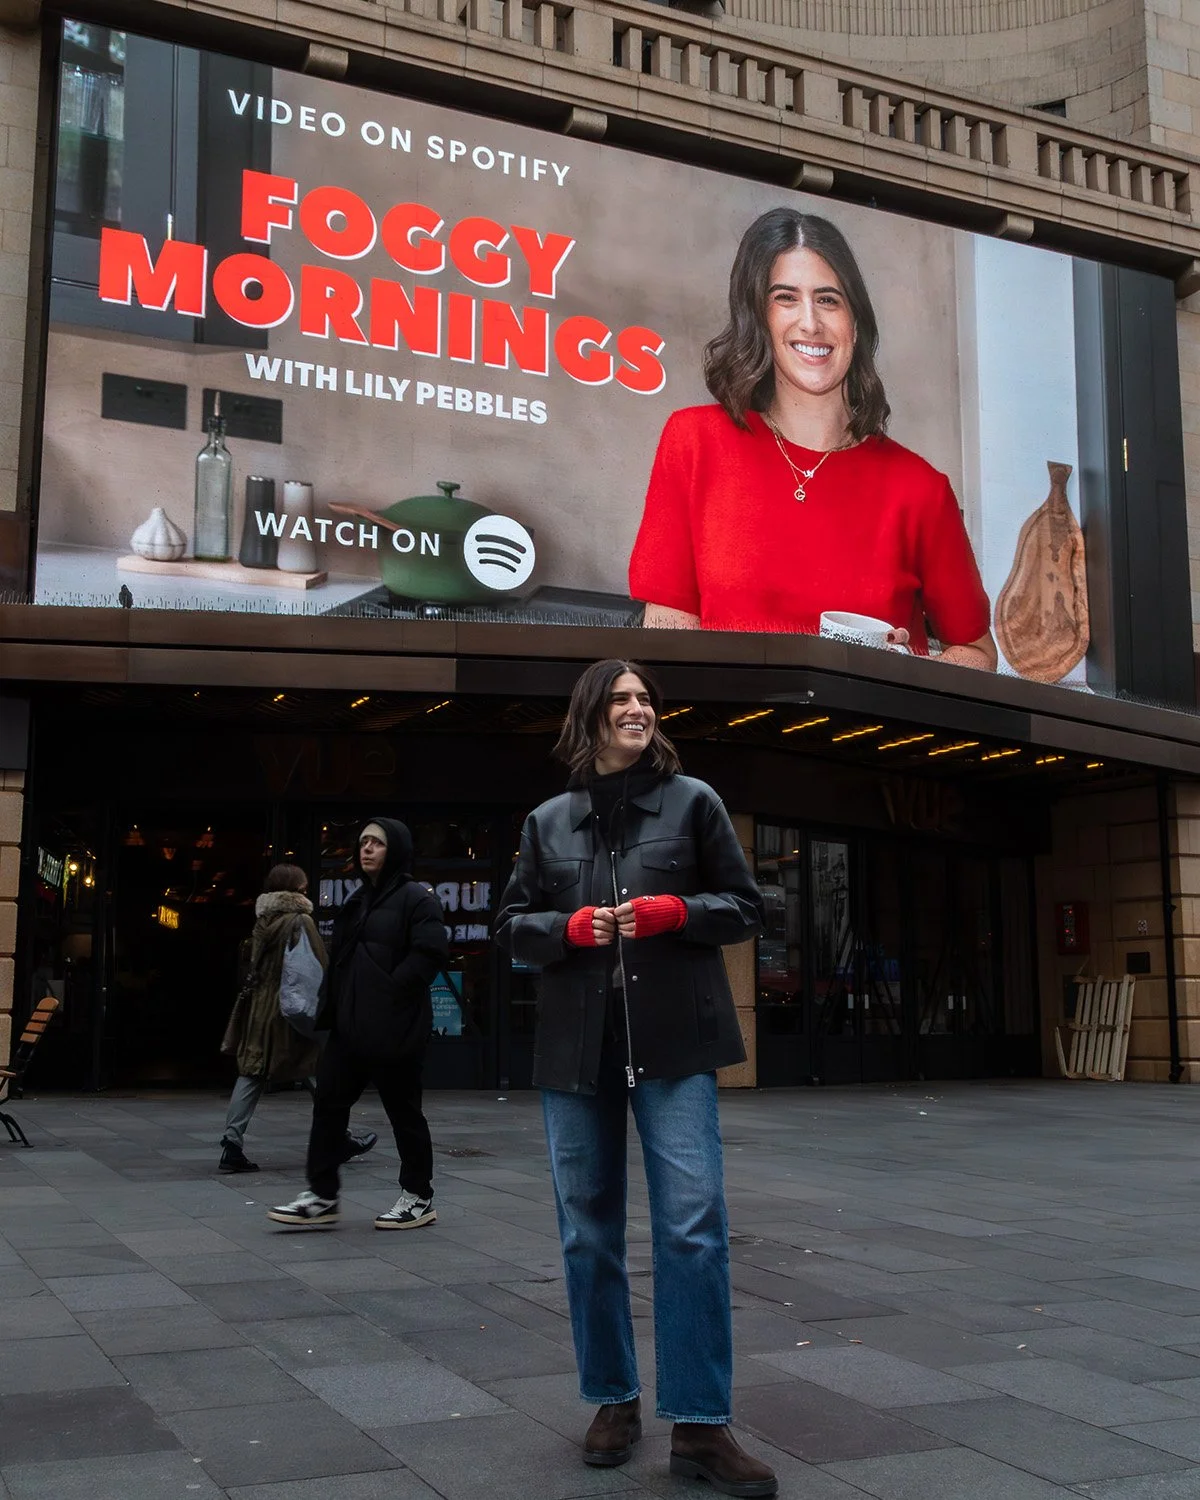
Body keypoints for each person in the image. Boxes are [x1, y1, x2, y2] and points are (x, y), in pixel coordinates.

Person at [496, 660, 777, 1499]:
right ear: (589, 717)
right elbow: (510, 928)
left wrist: (678, 914)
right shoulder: (548, 821)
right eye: (619, 699)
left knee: (692, 1226)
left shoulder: (694, 802)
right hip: (576, 1050)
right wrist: (570, 928)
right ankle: (613, 1402)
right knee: (587, 1229)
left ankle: (699, 1424)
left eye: (644, 698)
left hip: (676, 1043)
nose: (637, 708)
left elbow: (747, 905)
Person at [628, 207, 998, 670]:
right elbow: (666, 639)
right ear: (757, 316)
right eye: (786, 297)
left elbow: (978, 653)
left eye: (828, 300)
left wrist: (909, 668)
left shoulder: (920, 489)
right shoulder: (694, 442)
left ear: (856, 321)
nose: (810, 323)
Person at [268, 818, 448, 1229]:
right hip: (350, 1027)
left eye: (377, 843)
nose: (367, 849)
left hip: (395, 1028)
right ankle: (322, 1195)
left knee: (404, 1112)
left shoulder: (417, 899)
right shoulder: (358, 900)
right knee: (329, 1103)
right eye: (363, 842)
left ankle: (419, 1197)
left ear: (396, 850)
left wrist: (390, 992)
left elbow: (431, 954)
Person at [218, 862, 377, 1174]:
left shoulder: (264, 919)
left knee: (252, 1073)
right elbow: (310, 969)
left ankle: (230, 1143)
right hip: (291, 1010)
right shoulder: (299, 921)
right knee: (319, 1070)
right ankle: (339, 1138)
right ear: (298, 889)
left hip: (260, 1010)